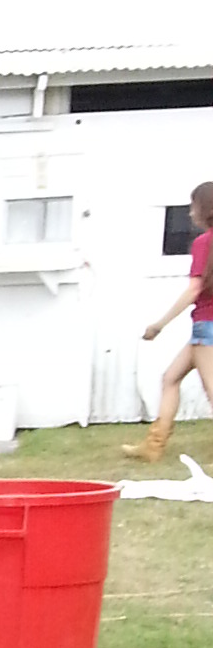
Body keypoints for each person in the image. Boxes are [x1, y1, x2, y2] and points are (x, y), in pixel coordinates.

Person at [124, 178, 213, 463]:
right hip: (206, 328)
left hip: (206, 327)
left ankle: (155, 444)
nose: (189, 213)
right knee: (171, 377)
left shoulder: (204, 243)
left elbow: (194, 290)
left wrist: (159, 324)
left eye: (192, 206)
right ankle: (154, 445)